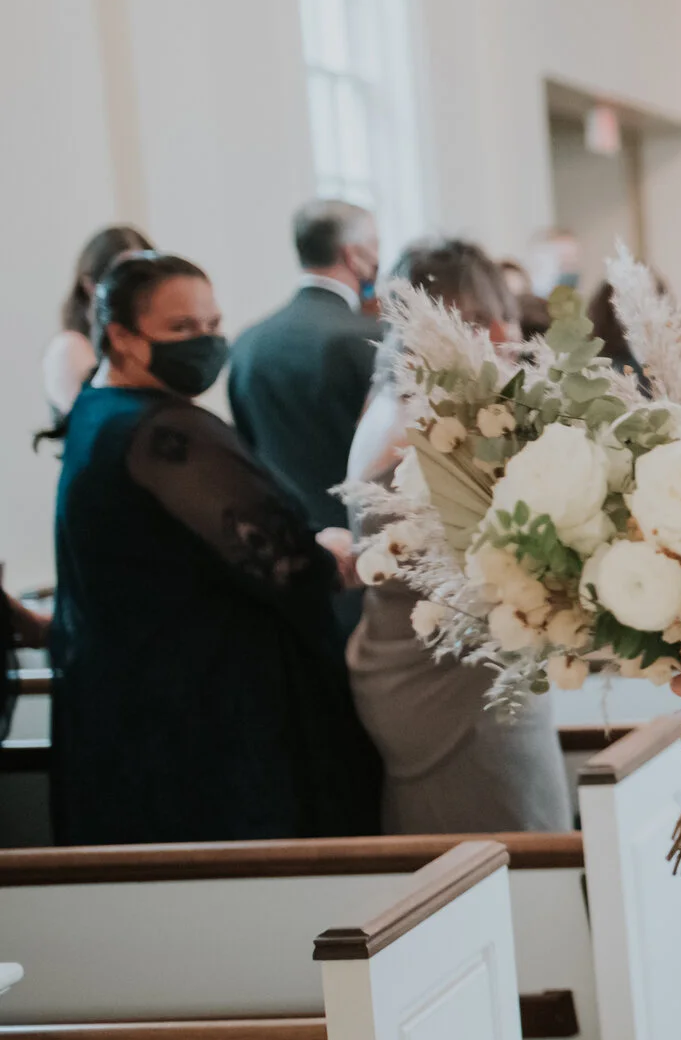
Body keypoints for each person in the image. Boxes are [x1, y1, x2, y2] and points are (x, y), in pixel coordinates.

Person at [50, 253, 379, 845]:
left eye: (211, 325)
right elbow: (281, 559)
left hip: (129, 704)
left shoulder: (96, 411)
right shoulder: (164, 433)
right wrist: (329, 555)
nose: (204, 343)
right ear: (121, 336)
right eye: (182, 330)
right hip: (205, 717)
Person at [341, 238, 569, 834]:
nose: (509, 332)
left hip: (407, 658)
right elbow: (509, 561)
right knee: (507, 848)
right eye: (502, 315)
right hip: (464, 679)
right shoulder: (446, 420)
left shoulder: (388, 400)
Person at [228, 200, 387, 540]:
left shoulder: (248, 342)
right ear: (353, 255)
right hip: (363, 543)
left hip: (283, 542)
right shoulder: (372, 338)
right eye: (375, 246)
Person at [42, 225, 153, 419]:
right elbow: (97, 420)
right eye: (123, 278)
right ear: (89, 285)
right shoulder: (69, 348)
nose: (136, 292)